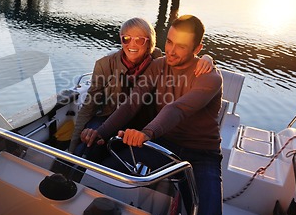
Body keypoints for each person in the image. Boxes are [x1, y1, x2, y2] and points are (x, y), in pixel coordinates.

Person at [80, 14, 223, 215]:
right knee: (105, 175)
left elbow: (177, 109)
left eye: (182, 46)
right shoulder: (158, 65)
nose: (172, 51)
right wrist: (101, 132)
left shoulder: (210, 77)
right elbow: (131, 104)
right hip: (164, 144)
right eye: (169, 42)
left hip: (201, 154)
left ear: (198, 48)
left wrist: (146, 133)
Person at [68, 17, 214, 156]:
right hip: (111, 116)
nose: (131, 44)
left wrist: (207, 59)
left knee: (122, 155)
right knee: (87, 146)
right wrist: (73, 146)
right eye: (126, 39)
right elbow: (91, 105)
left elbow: (184, 59)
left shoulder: (158, 61)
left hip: (145, 123)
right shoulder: (105, 65)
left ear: (150, 43)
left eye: (139, 40)